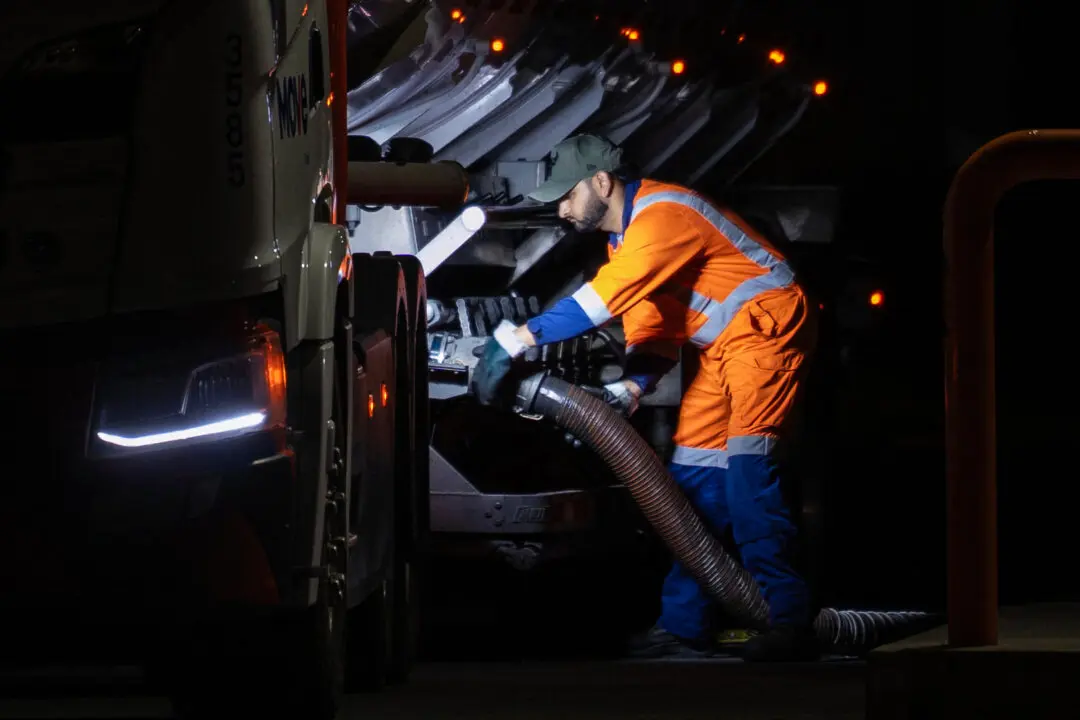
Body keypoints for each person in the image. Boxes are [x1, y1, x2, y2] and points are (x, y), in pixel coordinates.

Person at [470, 134, 819, 662]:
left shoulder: (662, 215)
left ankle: (786, 619)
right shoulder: (625, 241)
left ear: (603, 183)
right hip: (725, 348)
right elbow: (653, 329)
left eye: (569, 195)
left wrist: (516, 339)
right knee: (694, 481)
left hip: (767, 332)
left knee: (749, 472)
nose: (562, 209)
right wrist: (631, 388)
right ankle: (684, 625)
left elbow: (598, 303)